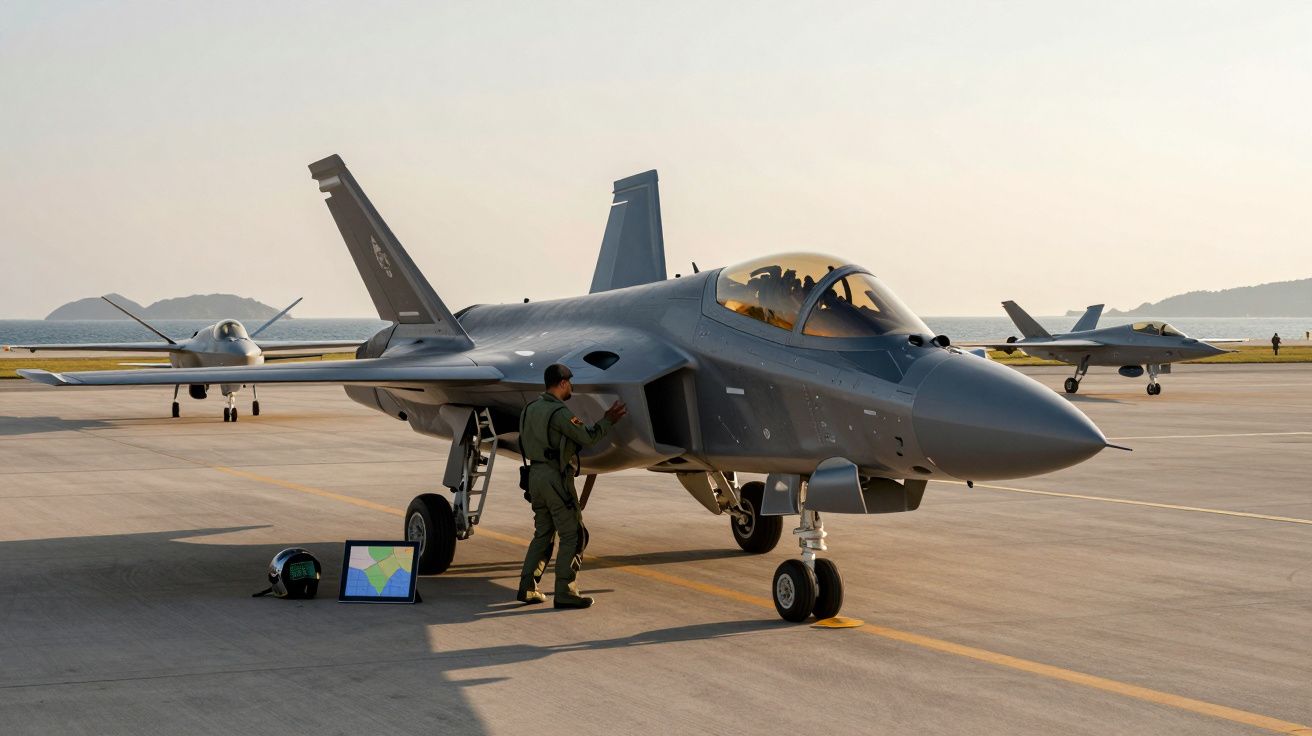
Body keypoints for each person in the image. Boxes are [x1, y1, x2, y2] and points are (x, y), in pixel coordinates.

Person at [517, 363, 626, 609]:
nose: (572, 387)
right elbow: (587, 437)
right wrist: (608, 420)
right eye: (570, 383)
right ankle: (566, 591)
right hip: (555, 478)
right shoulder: (560, 413)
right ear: (563, 383)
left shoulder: (529, 409)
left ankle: (527, 587)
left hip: (534, 476)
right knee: (573, 535)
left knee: (543, 533)